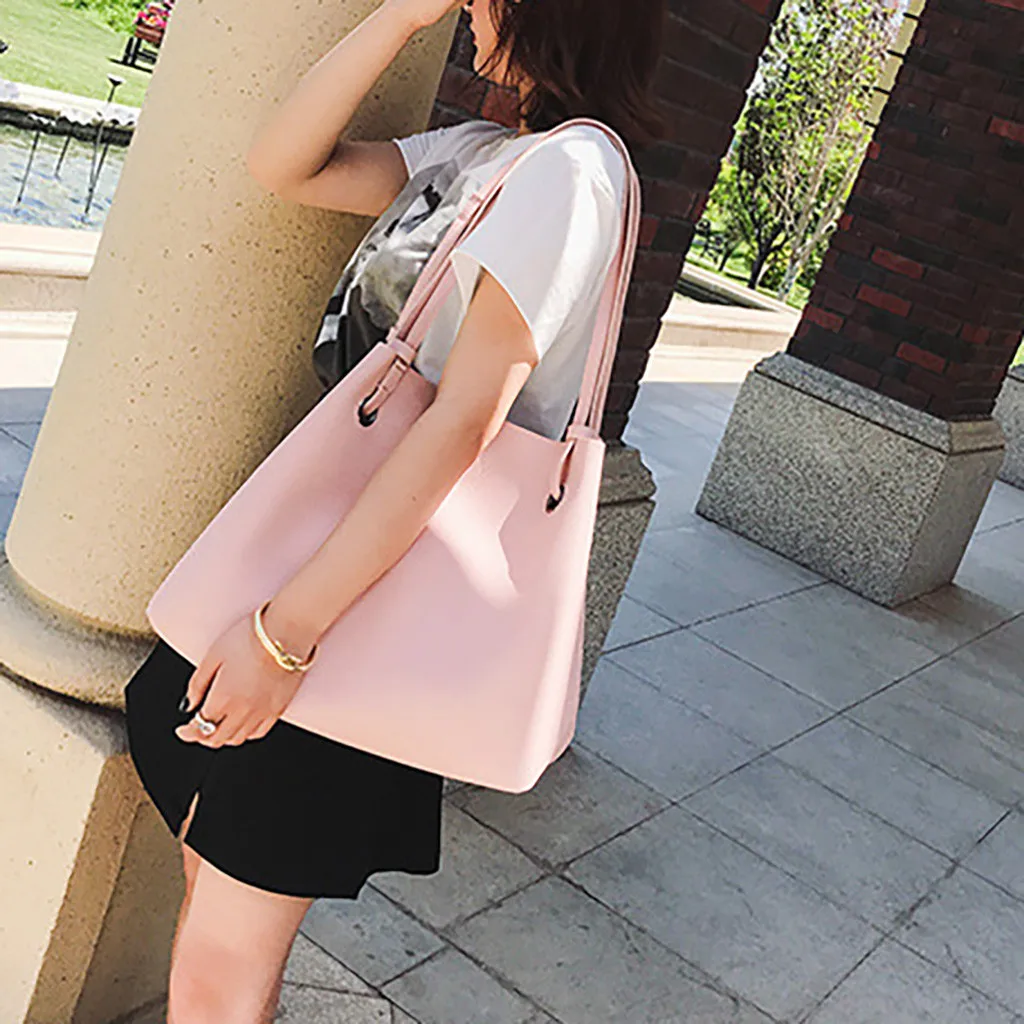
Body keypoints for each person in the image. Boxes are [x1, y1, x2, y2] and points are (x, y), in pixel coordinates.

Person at [123, 0, 667, 1020]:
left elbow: (464, 421)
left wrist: (282, 638)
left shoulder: (573, 172)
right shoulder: (483, 155)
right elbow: (284, 165)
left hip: (358, 609)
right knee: (211, 899)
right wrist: (397, 19)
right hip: (324, 562)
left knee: (218, 966)